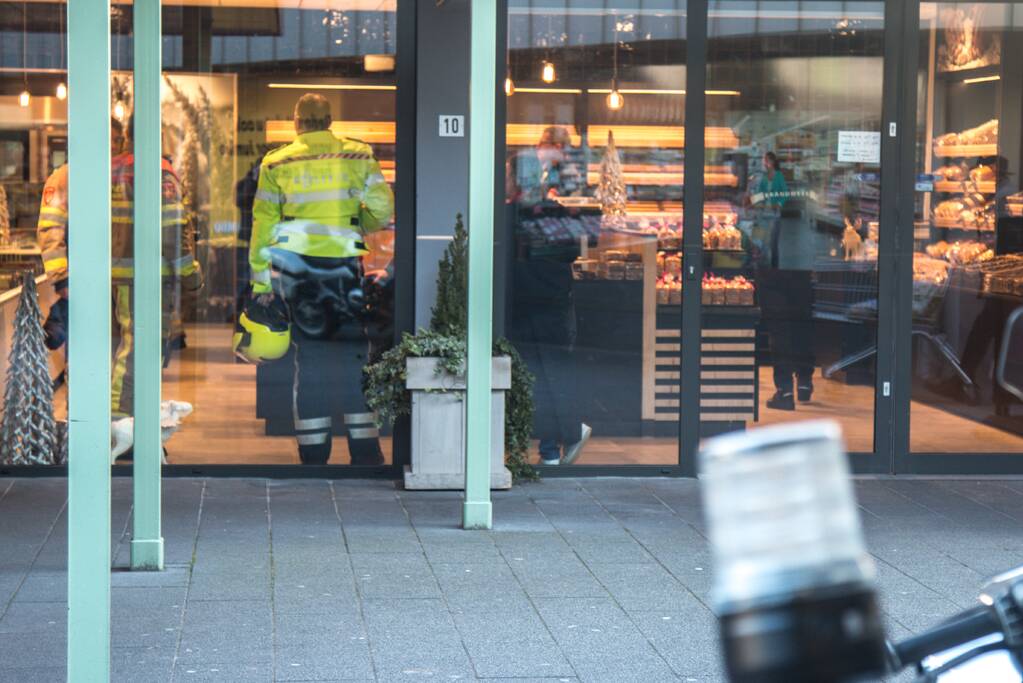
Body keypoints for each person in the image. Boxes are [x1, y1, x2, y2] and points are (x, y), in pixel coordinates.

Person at [250, 93, 394, 465]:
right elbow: (381, 210)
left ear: (297, 123)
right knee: (353, 358)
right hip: (344, 271)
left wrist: (262, 283)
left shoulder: (278, 162)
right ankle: (365, 451)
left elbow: (263, 225)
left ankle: (313, 453)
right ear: (330, 121)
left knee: (309, 360)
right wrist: (355, 226)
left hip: (299, 275)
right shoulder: (358, 155)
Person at [36, 116, 202, 426]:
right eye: (105, 141)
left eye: (115, 141)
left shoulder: (119, 175)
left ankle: (119, 427)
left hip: (116, 281)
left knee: (120, 356)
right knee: (88, 357)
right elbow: (50, 230)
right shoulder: (67, 177)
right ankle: (85, 425)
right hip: (83, 285)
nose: (110, 147)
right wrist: (63, 280)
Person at [507, 126, 590, 465]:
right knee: (549, 376)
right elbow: (571, 253)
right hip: (550, 307)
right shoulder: (552, 212)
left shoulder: (510, 214)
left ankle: (550, 446)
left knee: (533, 377)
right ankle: (551, 447)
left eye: (509, 174)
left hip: (528, 307)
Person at [753, 151, 814, 411]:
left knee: (780, 332)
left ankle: (785, 391)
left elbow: (761, 245)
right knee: (802, 328)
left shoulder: (769, 212)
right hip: (802, 274)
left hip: (775, 275)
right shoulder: (807, 212)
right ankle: (805, 382)